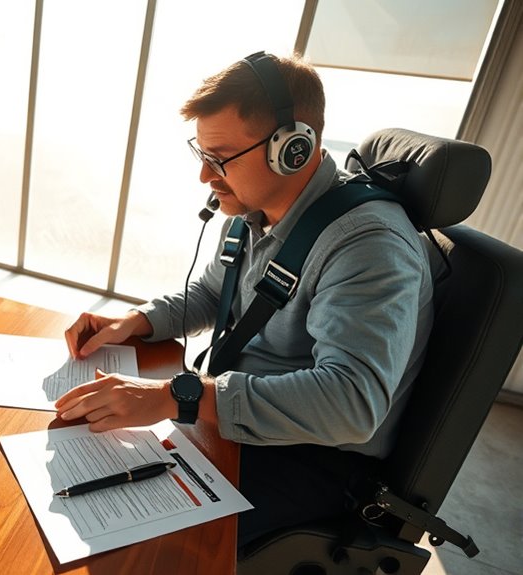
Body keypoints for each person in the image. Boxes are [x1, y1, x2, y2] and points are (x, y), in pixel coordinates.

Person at [54, 52, 436, 547]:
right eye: (202, 155)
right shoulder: (252, 210)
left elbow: (350, 403)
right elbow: (217, 290)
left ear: (292, 150)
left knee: (121, 536)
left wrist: (176, 395)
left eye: (221, 159)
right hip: (237, 417)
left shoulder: (369, 245)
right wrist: (138, 321)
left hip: (311, 455)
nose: (205, 177)